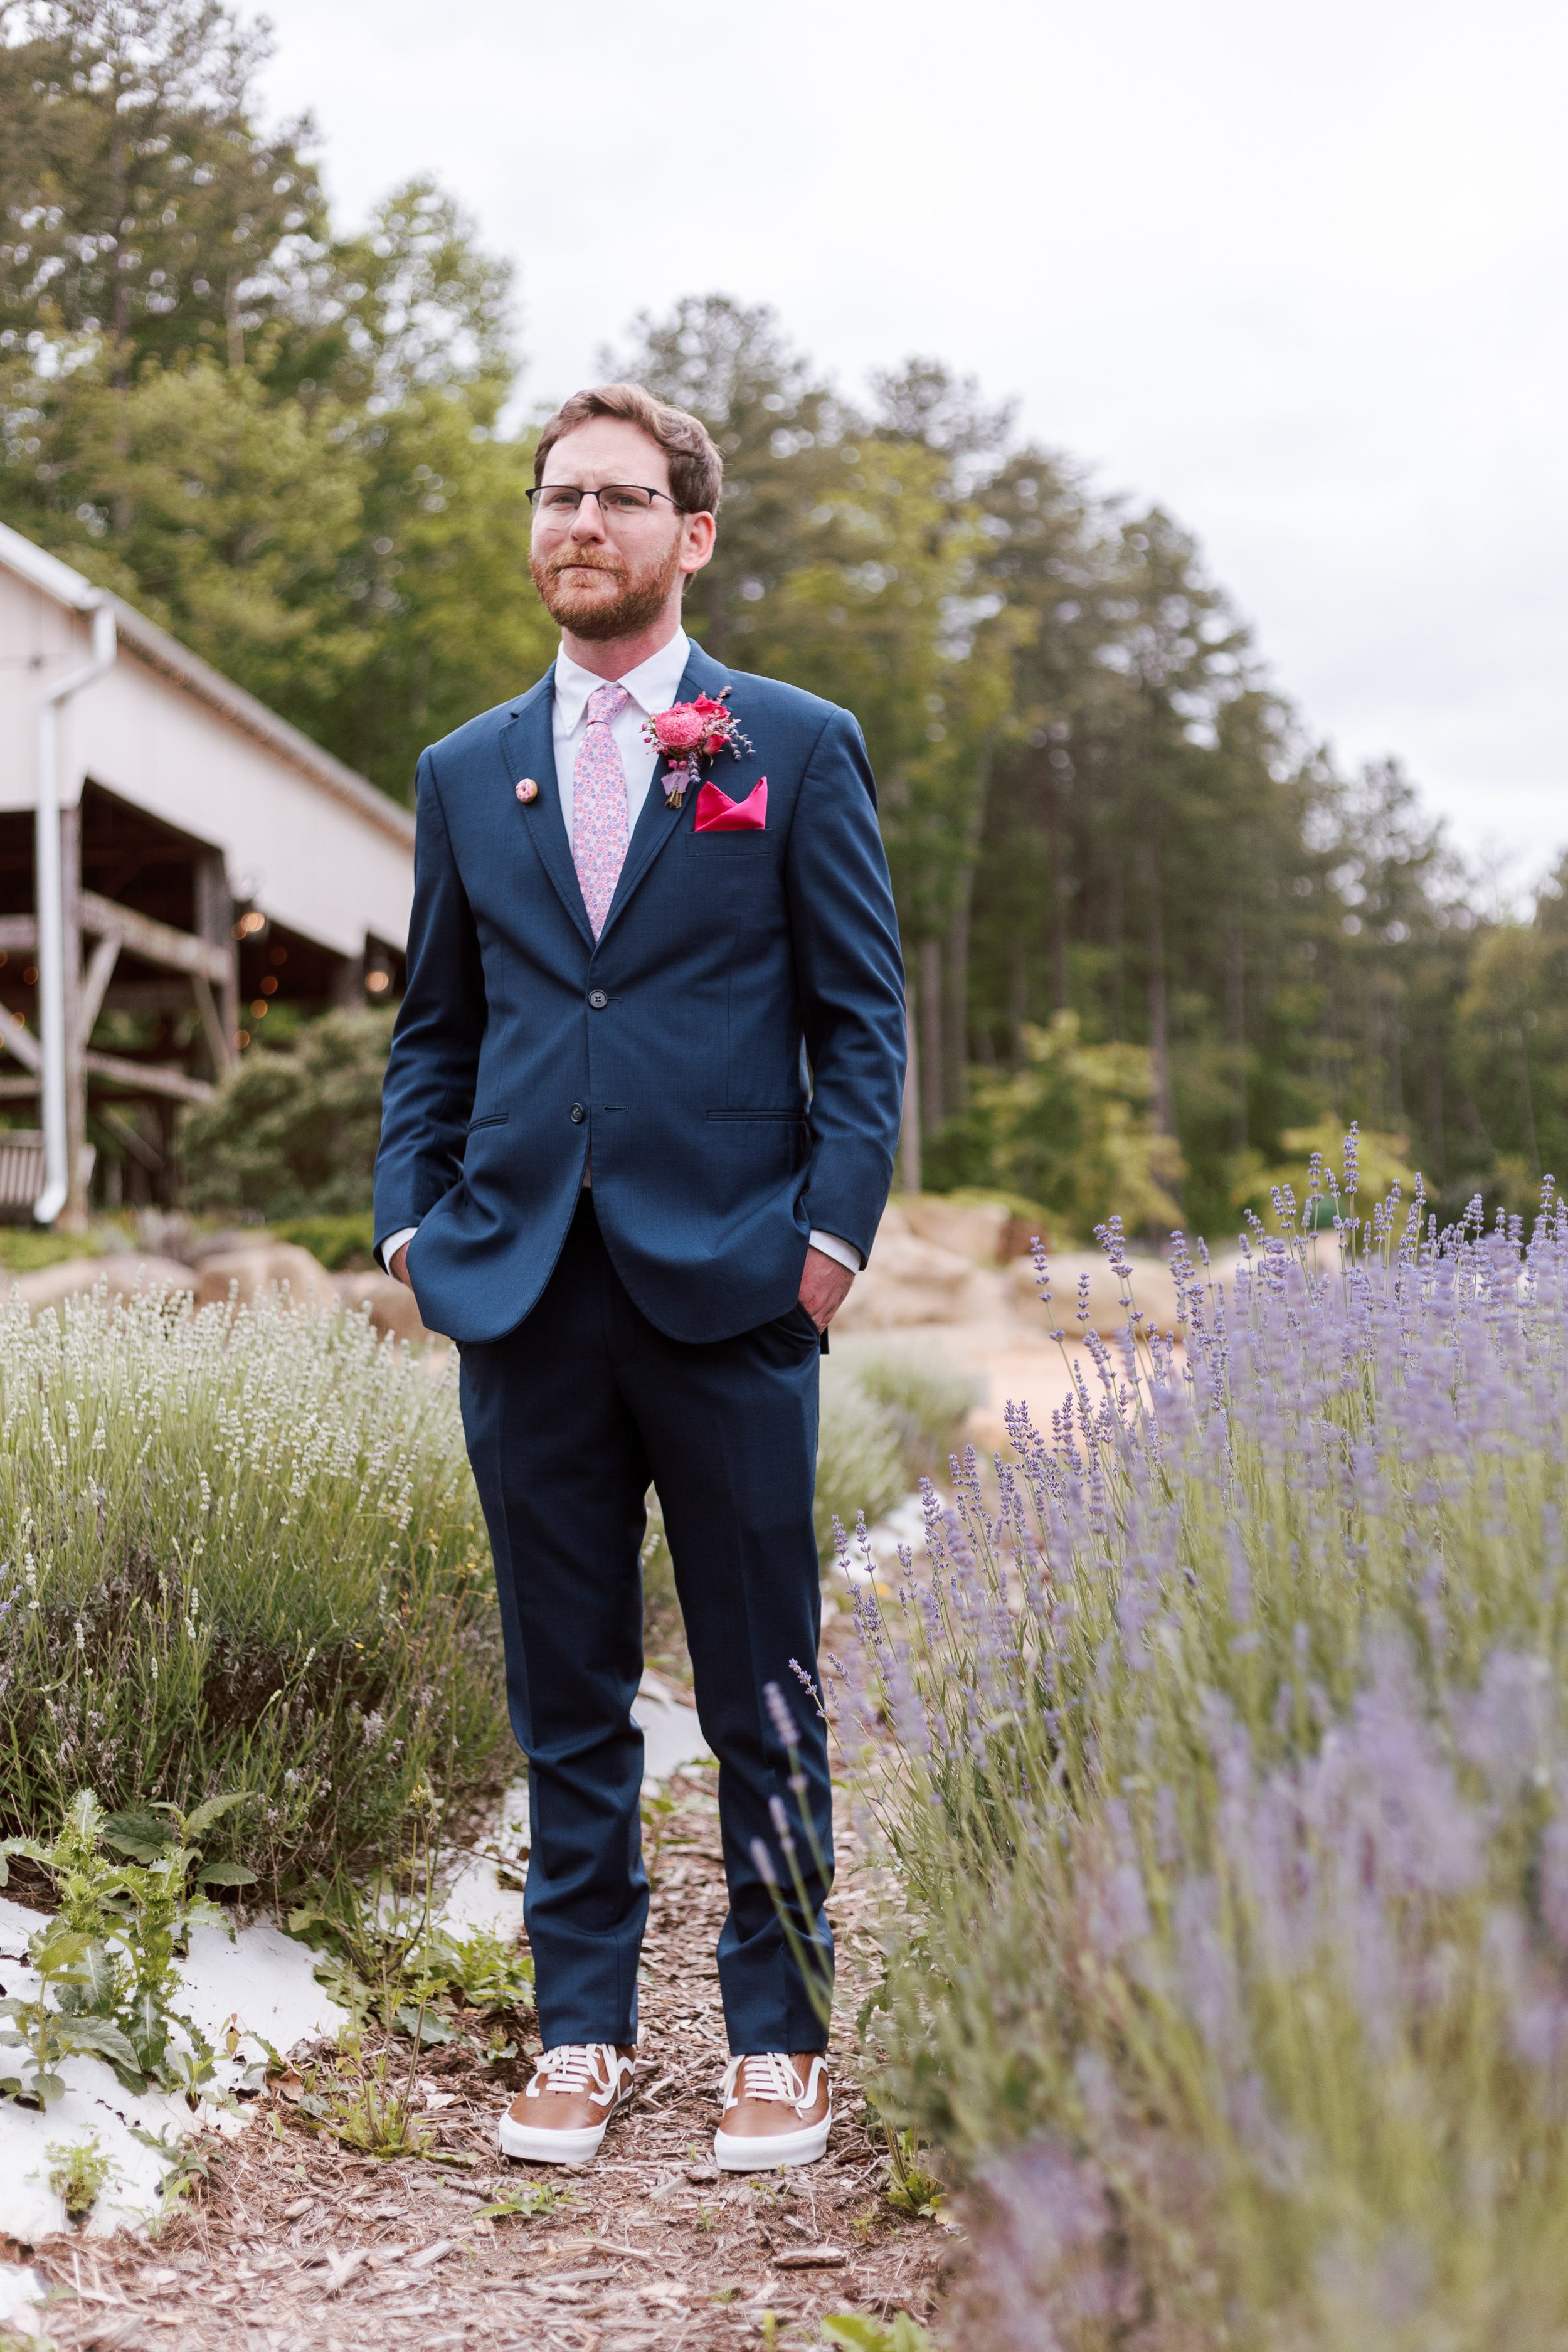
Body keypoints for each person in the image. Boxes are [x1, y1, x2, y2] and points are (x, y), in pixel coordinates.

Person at [374, 381, 905, 2171]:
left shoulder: (793, 745)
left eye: (613, 499)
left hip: (735, 1291)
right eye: (552, 498)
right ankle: (579, 2028)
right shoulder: (465, 770)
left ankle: (779, 2034)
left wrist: (821, 1256)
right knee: (564, 1688)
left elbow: (859, 1024)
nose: (574, 525)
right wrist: (408, 1228)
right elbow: (435, 1032)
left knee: (766, 1681)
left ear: (689, 534)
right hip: (522, 1292)